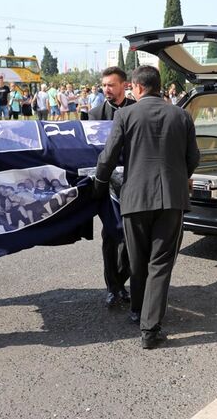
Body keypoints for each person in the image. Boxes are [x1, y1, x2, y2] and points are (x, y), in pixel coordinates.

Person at [93, 65, 200, 349]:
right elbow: (193, 158)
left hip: (135, 199)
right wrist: (178, 177)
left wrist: (99, 187)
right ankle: (150, 328)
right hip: (171, 200)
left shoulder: (125, 115)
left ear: (138, 87)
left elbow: (108, 157)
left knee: (138, 259)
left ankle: (138, 312)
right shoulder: (181, 115)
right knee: (160, 263)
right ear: (158, 85)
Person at [89, 67, 137, 308]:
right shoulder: (95, 114)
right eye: (104, 85)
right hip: (107, 183)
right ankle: (112, 287)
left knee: (131, 237)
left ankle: (122, 281)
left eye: (111, 85)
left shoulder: (136, 110)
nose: (106, 89)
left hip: (133, 181)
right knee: (110, 236)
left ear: (124, 85)